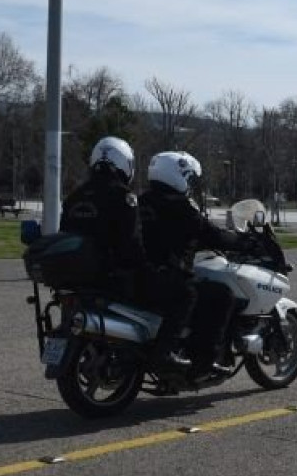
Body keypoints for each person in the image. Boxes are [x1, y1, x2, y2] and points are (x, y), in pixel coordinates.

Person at [138, 151, 254, 369]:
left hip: (141, 275)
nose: (190, 183)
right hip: (166, 276)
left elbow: (172, 237)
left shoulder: (142, 202)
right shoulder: (181, 207)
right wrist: (242, 241)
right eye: (189, 178)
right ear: (178, 176)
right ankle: (203, 359)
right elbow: (212, 235)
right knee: (221, 295)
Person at [59, 136, 145, 296]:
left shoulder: (74, 196)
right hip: (109, 278)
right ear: (124, 162)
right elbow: (131, 244)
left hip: (75, 277)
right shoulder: (124, 196)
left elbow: (63, 232)